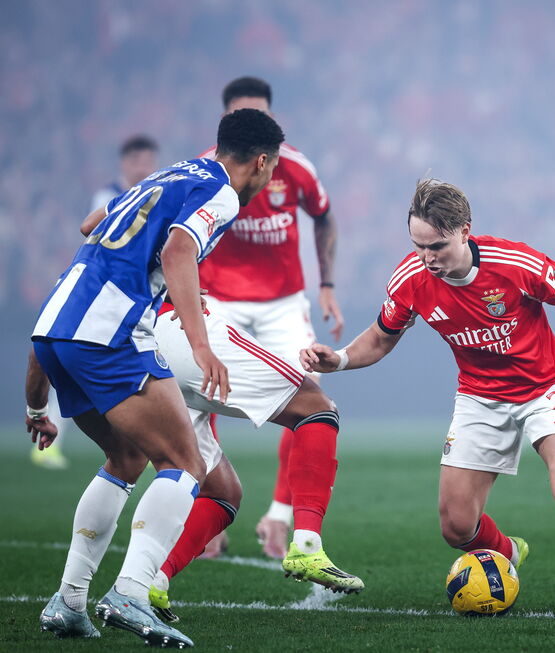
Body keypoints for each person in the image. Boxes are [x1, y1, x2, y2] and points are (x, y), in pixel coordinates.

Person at [300, 179, 555, 614]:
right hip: (479, 397)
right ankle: (508, 554)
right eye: (418, 245)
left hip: (545, 388)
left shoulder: (512, 262)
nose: (427, 258)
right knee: (457, 527)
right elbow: (382, 338)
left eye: (437, 246)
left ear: (465, 230)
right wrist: (341, 360)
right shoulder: (411, 279)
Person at [27, 108, 283, 647]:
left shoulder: (171, 173)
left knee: (125, 458)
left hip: (56, 325)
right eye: (271, 168)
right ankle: (130, 593)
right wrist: (200, 343)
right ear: (261, 162)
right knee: (185, 461)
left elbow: (89, 224)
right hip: (109, 331)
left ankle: (69, 601)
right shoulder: (224, 192)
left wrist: (35, 409)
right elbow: (177, 251)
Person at [28, 296, 364, 627]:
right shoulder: (160, 246)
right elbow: (177, 247)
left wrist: (36, 407)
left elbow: (50, 320)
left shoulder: (87, 263)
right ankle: (307, 545)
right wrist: (190, 309)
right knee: (316, 407)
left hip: (108, 346)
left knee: (207, 487)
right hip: (173, 327)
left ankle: (106, 592)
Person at [196, 76, 344, 559]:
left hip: (283, 301)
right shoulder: (204, 170)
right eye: (243, 115)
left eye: (262, 115)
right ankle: (206, 507)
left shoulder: (295, 166)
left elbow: (324, 215)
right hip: (218, 297)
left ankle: (278, 517)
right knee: (195, 397)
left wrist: (326, 285)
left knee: (309, 396)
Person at [31, 136, 162, 472]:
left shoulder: (155, 195)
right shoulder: (110, 197)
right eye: (136, 159)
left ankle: (138, 445)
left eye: (148, 159)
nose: (143, 166)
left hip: (126, 300)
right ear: (124, 163)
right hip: (101, 298)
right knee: (79, 370)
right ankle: (52, 445)